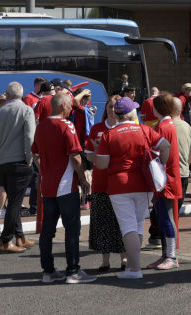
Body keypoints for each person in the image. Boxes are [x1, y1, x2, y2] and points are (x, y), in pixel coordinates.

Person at [88, 97, 172, 282]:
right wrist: (161, 163)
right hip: (144, 184)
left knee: (128, 228)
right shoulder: (145, 130)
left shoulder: (110, 134)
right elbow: (165, 145)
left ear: (117, 114)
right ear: (131, 113)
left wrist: (101, 153)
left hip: (119, 186)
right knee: (137, 225)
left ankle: (134, 269)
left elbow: (101, 164)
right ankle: (135, 266)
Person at [28, 89, 90, 284]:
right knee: (72, 229)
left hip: (47, 184)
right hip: (65, 185)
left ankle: (48, 270)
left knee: (48, 229)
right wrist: (83, 179)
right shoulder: (67, 126)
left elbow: (34, 154)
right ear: (63, 105)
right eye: (70, 104)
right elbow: (76, 156)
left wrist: (43, 170)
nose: (72, 107)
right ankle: (73, 271)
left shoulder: (41, 126)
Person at [0, 81, 37, 253]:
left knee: (13, 201)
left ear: (8, 95)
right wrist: (29, 158)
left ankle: (20, 237)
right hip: (20, 161)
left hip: (2, 163)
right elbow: (29, 138)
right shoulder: (27, 110)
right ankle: (5, 241)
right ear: (21, 94)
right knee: (15, 203)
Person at [82, 102, 125, 275]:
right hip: (100, 182)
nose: (112, 110)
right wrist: (101, 151)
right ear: (105, 109)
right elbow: (89, 156)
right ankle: (105, 261)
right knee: (102, 222)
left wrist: (102, 150)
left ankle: (124, 259)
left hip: (119, 181)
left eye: (116, 107)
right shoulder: (97, 128)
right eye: (109, 107)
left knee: (122, 221)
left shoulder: (125, 129)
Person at [149, 93, 184, 270]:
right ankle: (166, 255)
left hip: (164, 179)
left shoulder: (163, 127)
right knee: (163, 217)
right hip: (166, 178)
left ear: (158, 108)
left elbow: (157, 152)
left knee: (167, 218)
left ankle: (171, 256)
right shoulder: (167, 125)